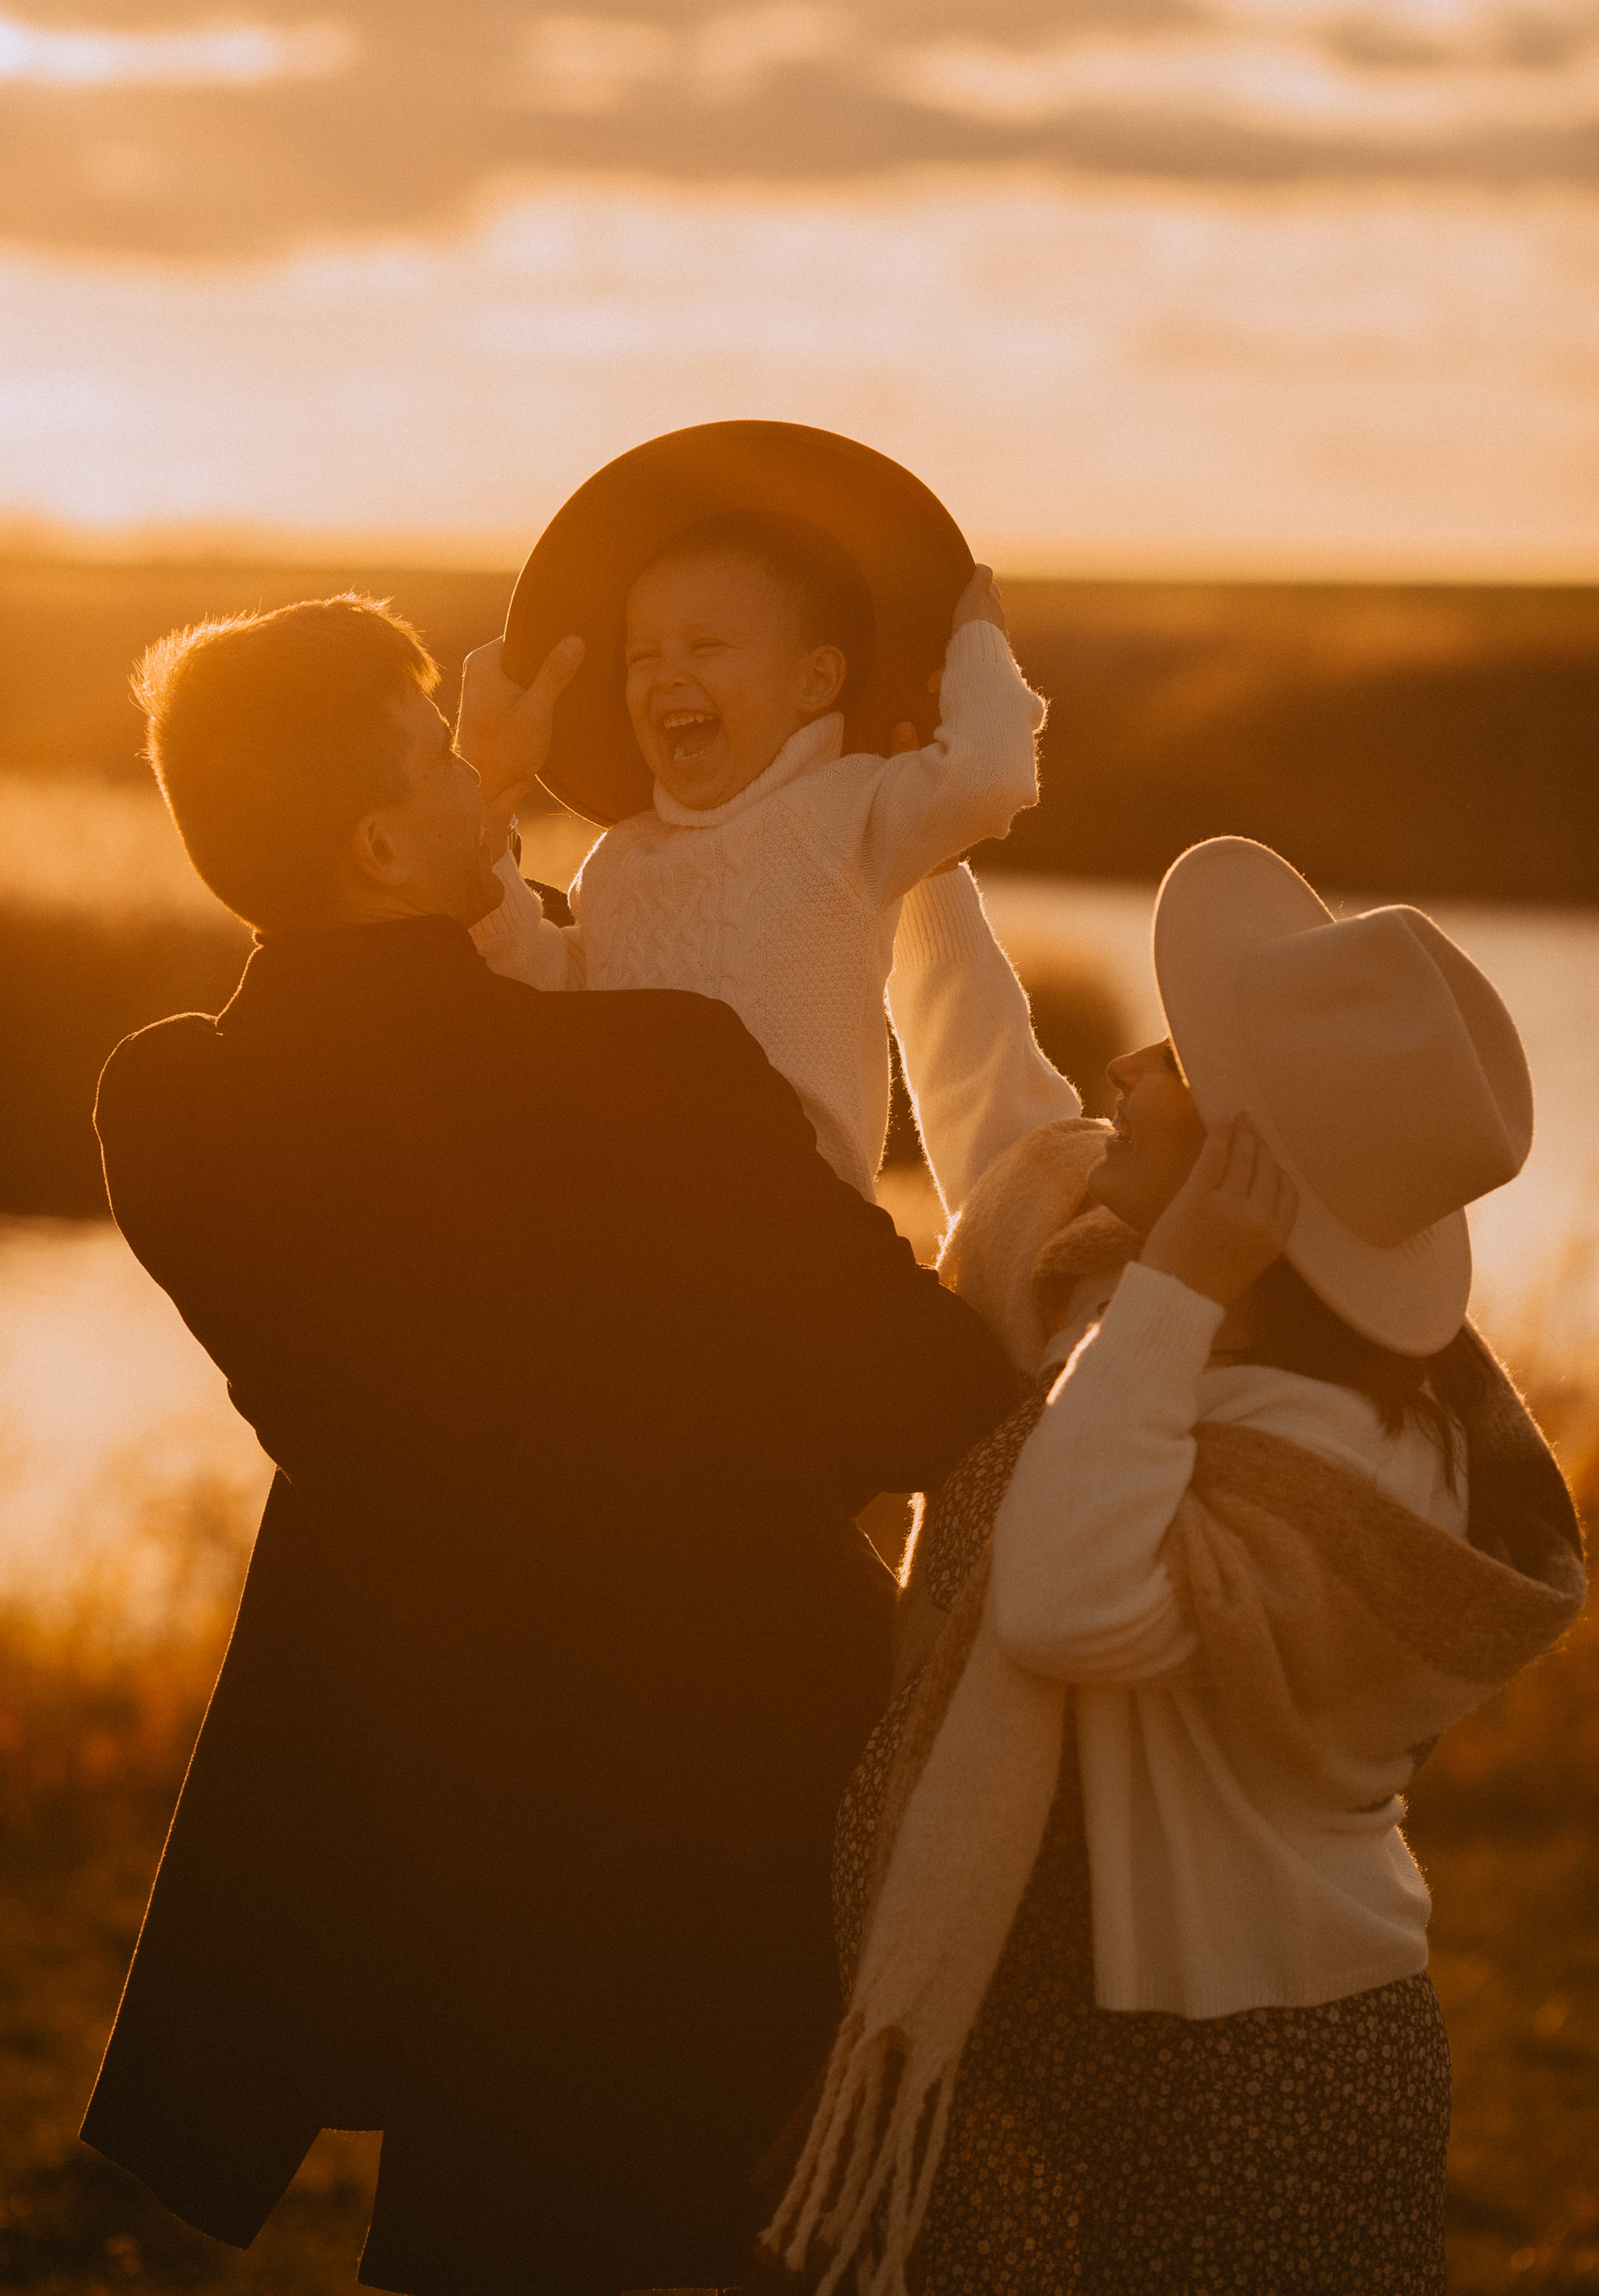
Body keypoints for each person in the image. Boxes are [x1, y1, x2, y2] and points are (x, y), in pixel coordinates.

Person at [78, 590, 1021, 2296]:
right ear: (379, 840)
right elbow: (930, 1394)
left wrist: (413, 833)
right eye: (444, 759)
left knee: (487, 2240)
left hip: (456, 1842)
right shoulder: (662, 1070)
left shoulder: (175, 1111)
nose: (483, 776)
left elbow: (340, 1017)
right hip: (751, 1810)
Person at [766, 837, 1588, 2296]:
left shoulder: (1336, 1447)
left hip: (1258, 2053)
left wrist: (1175, 1287)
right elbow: (992, 1113)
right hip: (1094, 2024)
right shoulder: (1143, 1313)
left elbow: (1066, 1599)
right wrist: (905, 855)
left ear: (1253, 1175)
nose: (1133, 1058)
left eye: (1185, 1060)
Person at [462, 433, 1046, 1203]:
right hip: (637, 1207)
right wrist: (490, 795)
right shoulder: (620, 858)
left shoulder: (849, 810)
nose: (668, 674)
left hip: (793, 1213)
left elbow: (989, 776)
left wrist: (976, 638)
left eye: (706, 646)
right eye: (643, 656)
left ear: (815, 679)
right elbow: (545, 986)